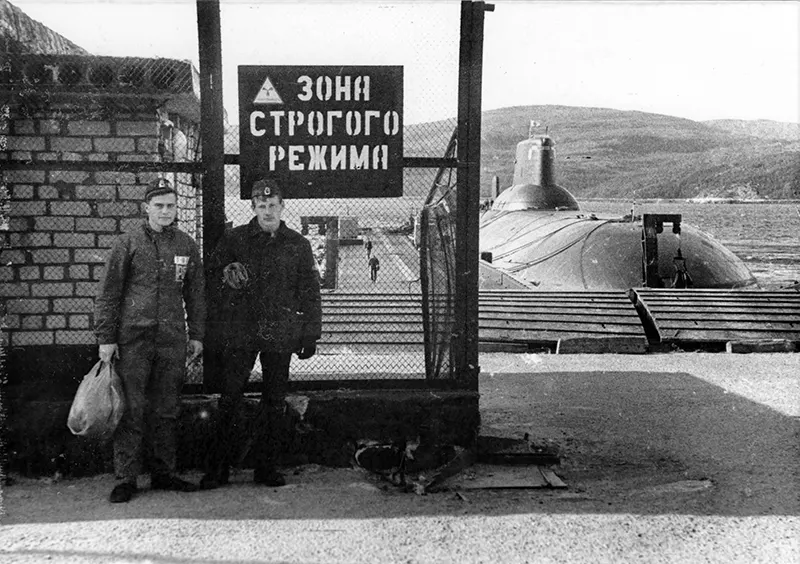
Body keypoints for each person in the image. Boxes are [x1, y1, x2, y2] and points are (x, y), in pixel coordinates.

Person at [200, 178, 322, 490]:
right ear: (252, 207)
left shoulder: (298, 244)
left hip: (279, 333)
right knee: (229, 398)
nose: (267, 210)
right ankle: (217, 469)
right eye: (261, 205)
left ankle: (266, 468)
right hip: (241, 331)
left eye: (272, 205)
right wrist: (225, 278)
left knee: (274, 401)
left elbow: (310, 292)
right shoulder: (235, 239)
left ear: (282, 206)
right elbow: (210, 279)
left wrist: (310, 334)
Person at [94, 177, 205, 503]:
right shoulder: (128, 243)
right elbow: (109, 292)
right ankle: (126, 478)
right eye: (159, 206)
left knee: (167, 408)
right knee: (131, 408)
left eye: (170, 206)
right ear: (147, 208)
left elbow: (196, 293)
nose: (165, 211)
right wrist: (107, 337)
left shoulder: (185, 245)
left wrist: (197, 334)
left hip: (171, 339)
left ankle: (163, 473)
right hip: (134, 339)